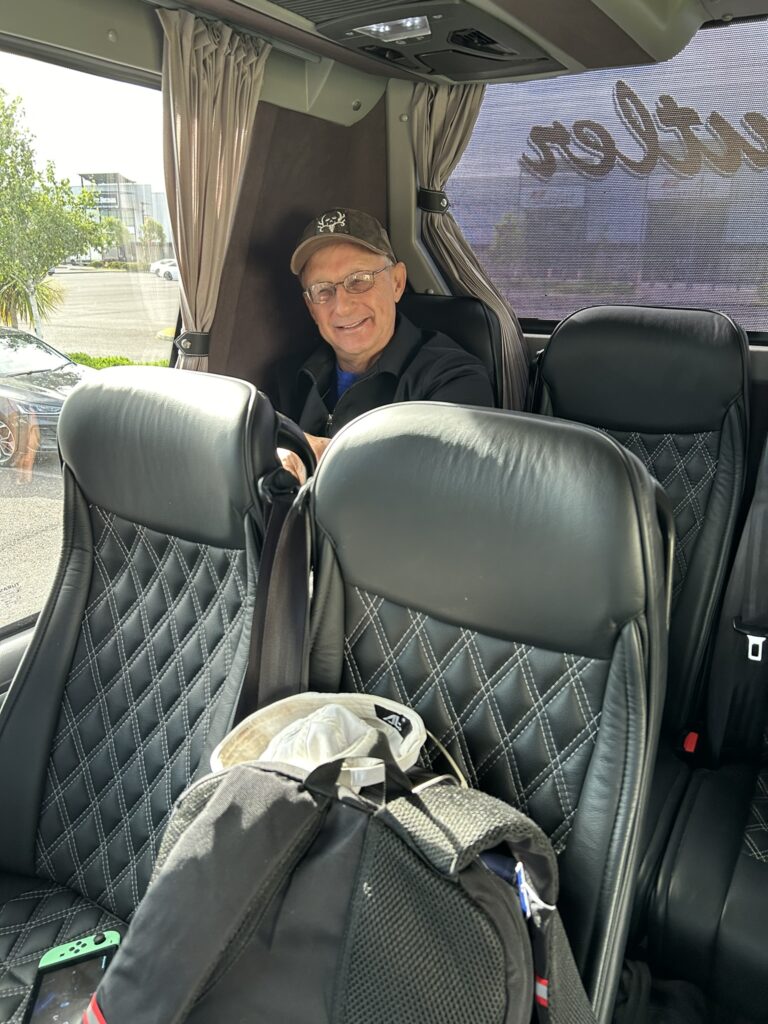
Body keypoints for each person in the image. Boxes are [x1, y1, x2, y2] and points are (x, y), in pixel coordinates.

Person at [280, 208, 495, 477]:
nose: (342, 307)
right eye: (322, 290)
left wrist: (326, 454)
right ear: (311, 307)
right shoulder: (288, 378)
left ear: (397, 283)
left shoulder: (454, 378)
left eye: (359, 280)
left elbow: (451, 476)